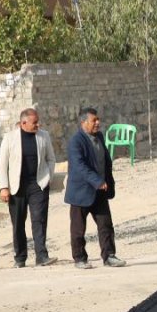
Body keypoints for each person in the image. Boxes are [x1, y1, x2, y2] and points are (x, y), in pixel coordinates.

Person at [64, 107, 125, 269]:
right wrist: (96, 180)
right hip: (81, 191)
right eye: (94, 120)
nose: (98, 123)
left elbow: (105, 162)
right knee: (78, 229)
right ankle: (79, 258)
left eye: (98, 120)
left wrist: (106, 182)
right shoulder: (76, 141)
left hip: (100, 191)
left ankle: (109, 255)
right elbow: (79, 166)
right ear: (84, 122)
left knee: (105, 225)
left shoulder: (99, 137)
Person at [0, 108, 58, 268]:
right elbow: (2, 165)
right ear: (23, 123)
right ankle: (20, 258)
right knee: (18, 223)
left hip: (38, 185)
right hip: (17, 187)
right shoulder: (9, 138)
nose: (38, 124)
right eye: (34, 122)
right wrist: (3, 187)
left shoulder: (43, 136)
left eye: (38, 121)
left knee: (39, 220)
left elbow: (51, 159)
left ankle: (42, 256)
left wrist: (48, 177)